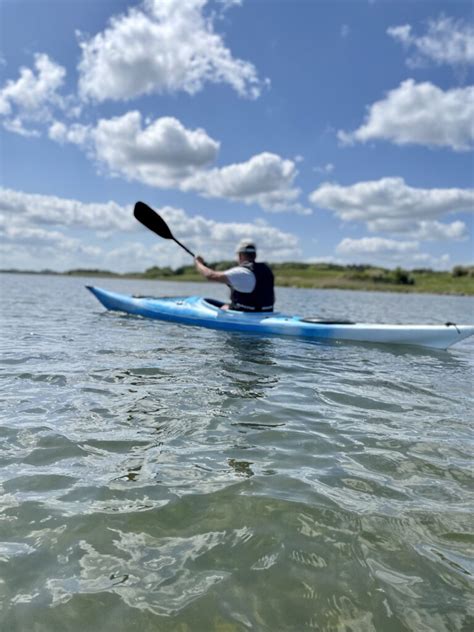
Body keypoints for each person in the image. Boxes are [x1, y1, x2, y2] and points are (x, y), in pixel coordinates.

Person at [194, 239, 275, 312]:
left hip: (247, 314)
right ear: (255, 255)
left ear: (240, 256)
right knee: (216, 303)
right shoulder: (267, 269)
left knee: (205, 302)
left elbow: (210, 275)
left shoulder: (241, 271)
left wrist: (198, 263)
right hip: (266, 312)